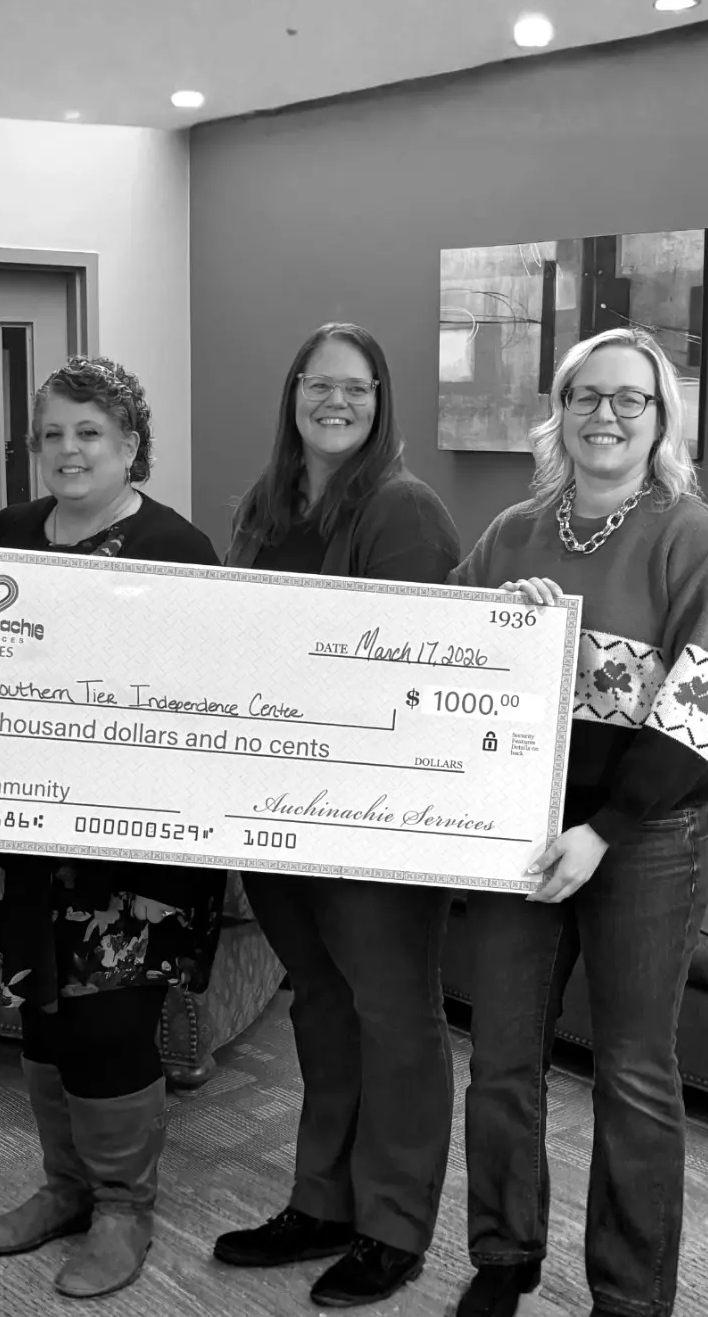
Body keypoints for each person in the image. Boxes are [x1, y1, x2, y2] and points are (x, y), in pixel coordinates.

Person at [449, 327, 708, 1317]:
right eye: (586, 396)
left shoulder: (694, 532)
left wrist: (603, 828)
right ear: (559, 410)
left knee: (636, 1073)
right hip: (523, 825)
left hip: (646, 837)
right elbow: (437, 658)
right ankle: (502, 1255)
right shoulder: (513, 533)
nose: (606, 415)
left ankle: (628, 1293)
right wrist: (501, 621)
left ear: (661, 420)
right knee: (502, 1058)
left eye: (631, 399)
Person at [0, 355, 226, 1300]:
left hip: (132, 856)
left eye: (91, 434)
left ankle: (123, 1210)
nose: (69, 451)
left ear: (131, 446)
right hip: (22, 844)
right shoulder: (2, 536)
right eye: (53, 434)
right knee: (41, 1016)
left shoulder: (178, 551)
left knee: (111, 1027)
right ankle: (66, 1188)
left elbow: (209, 705)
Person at [211, 322, 461, 1308]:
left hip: (370, 819)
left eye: (356, 388)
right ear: (295, 395)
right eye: (320, 385)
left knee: (396, 1017)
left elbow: (401, 682)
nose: (337, 403)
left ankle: (392, 1223)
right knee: (319, 1001)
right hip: (275, 810)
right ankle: (320, 1200)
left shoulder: (405, 511)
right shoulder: (265, 504)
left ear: (380, 400)